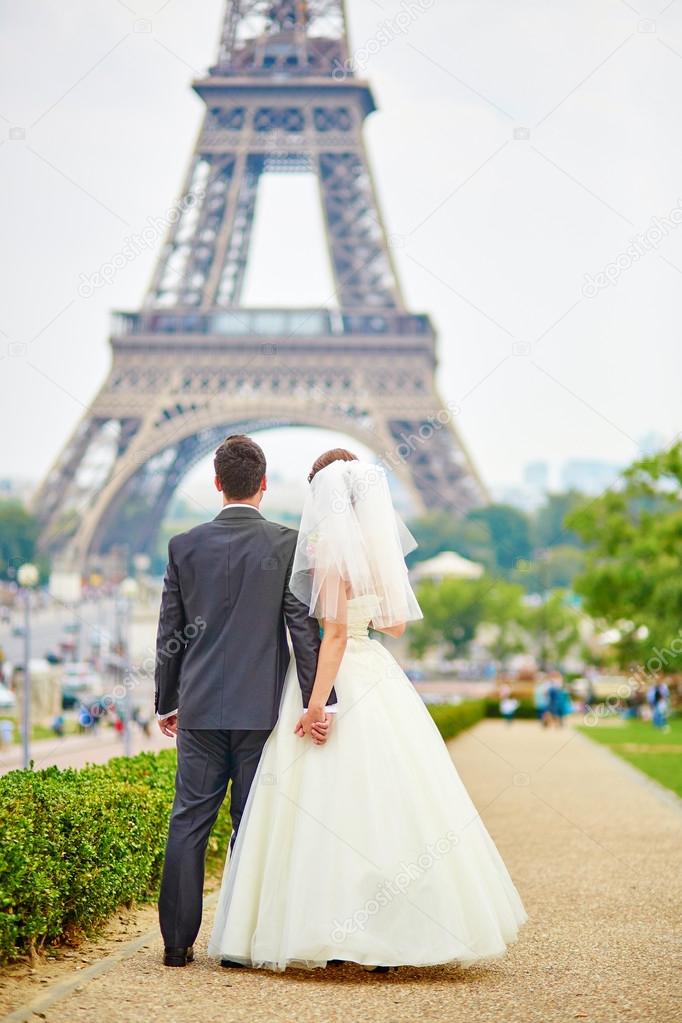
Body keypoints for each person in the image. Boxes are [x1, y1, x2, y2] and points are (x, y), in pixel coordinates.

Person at [208, 450, 527, 972]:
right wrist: (364, 611)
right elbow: (396, 626)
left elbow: (331, 636)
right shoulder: (379, 551)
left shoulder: (330, 549)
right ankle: (392, 935)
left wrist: (316, 705)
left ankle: (326, 931)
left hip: (337, 676)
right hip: (376, 671)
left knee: (320, 806)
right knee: (387, 804)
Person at [155, 435, 332, 969]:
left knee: (188, 823)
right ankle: (238, 944)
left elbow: (171, 631)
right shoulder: (285, 544)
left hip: (201, 710)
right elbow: (302, 630)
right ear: (263, 485)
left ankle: (177, 945)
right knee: (251, 825)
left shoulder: (183, 546)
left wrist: (167, 701)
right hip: (261, 712)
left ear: (216, 484)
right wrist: (320, 701)